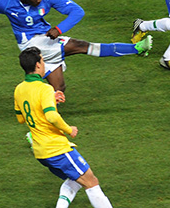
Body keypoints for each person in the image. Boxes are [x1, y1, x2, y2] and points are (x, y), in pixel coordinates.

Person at [0, 0, 151, 92]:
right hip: (30, 43)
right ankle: (136, 48)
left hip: (46, 38)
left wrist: (59, 29)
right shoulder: (7, 2)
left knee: (59, 89)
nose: (40, 1)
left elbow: (78, 11)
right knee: (80, 45)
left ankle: (40, 122)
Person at [14, 47, 112, 208]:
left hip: (40, 151)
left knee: (76, 180)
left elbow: (20, 118)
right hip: (56, 148)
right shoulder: (45, 88)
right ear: (38, 65)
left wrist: (50, 101)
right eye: (43, 61)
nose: (44, 64)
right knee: (91, 181)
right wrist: (69, 129)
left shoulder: (19, 89)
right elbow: (51, 117)